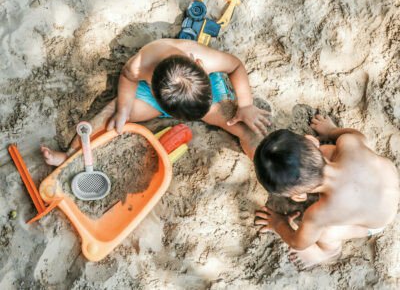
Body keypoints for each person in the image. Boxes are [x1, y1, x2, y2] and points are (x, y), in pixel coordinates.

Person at [41, 39, 270, 165]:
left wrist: (246, 104)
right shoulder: (139, 65)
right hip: (165, 95)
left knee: (242, 125)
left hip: (200, 91)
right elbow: (128, 78)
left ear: (198, 63)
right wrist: (123, 110)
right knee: (110, 115)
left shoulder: (204, 59)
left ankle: (261, 157)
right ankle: (70, 155)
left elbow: (236, 66)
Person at [254, 115, 399, 269]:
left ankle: (327, 251)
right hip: (389, 181)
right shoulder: (348, 142)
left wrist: (279, 224)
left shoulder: (319, 214)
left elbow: (298, 242)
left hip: (378, 222)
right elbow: (360, 136)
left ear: (297, 196)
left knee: (325, 233)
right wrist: (332, 131)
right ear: (311, 140)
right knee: (329, 151)